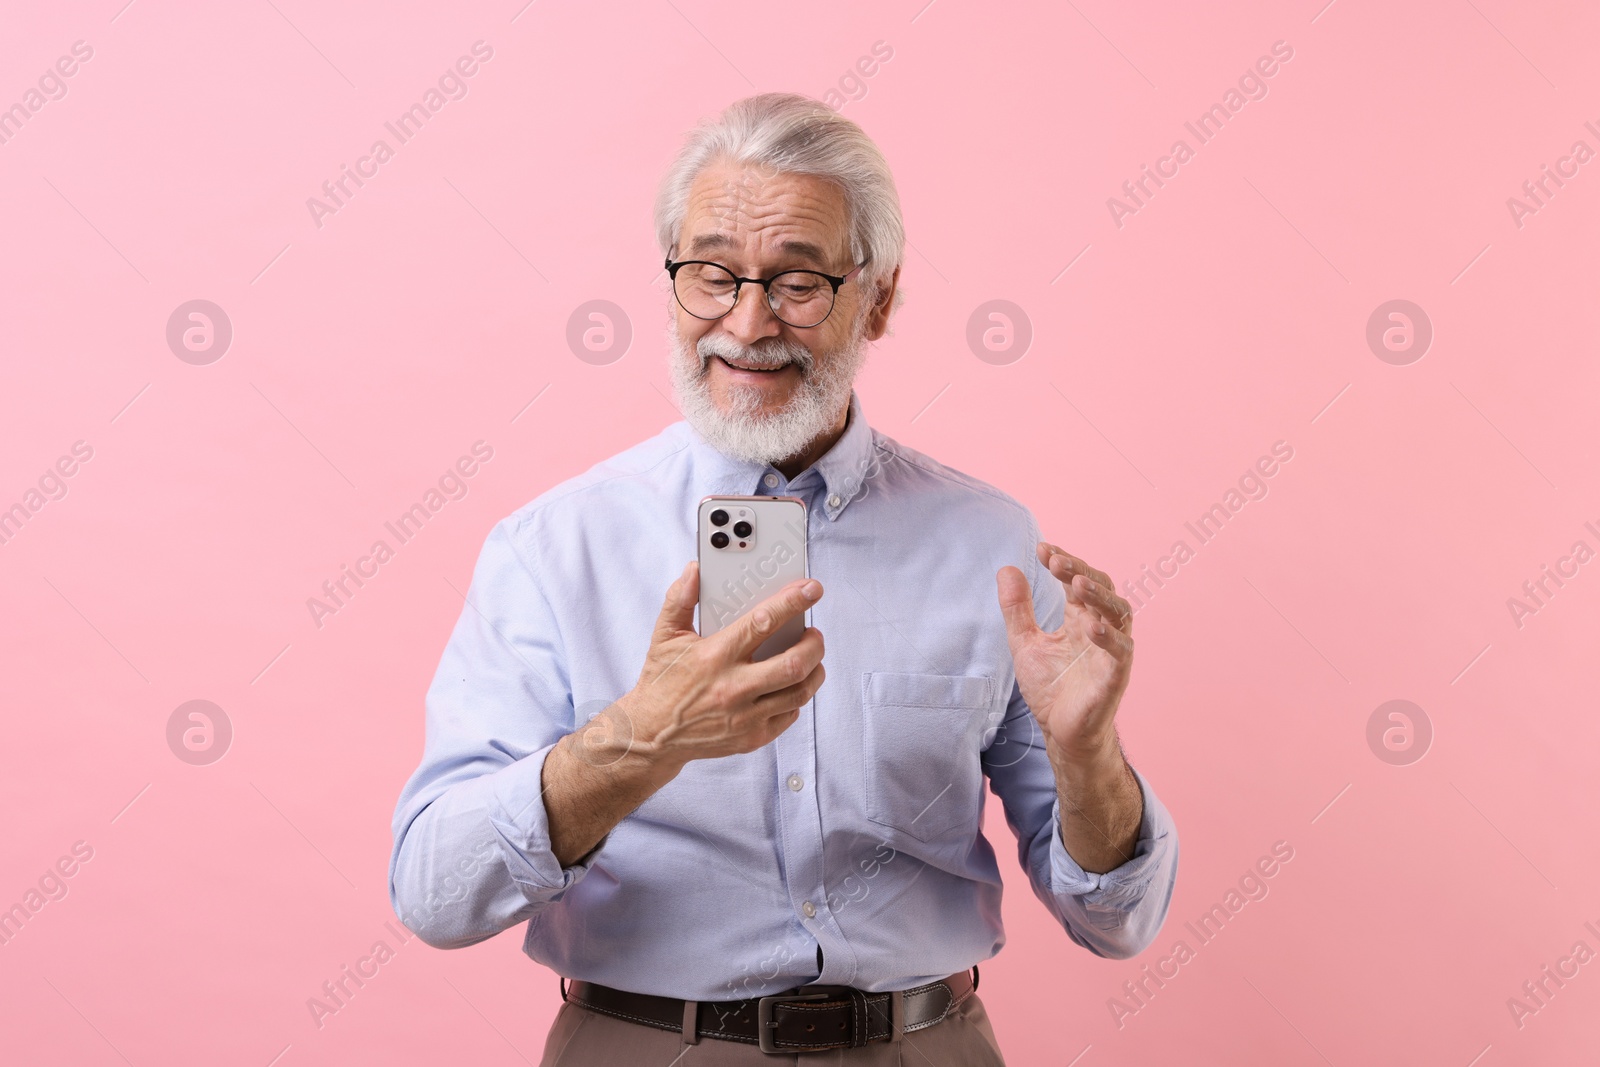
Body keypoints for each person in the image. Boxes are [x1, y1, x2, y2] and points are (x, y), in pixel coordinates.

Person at [388, 92, 1178, 1064]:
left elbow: (1115, 920)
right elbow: (433, 891)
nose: (747, 323)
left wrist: (1088, 753)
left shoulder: (989, 543)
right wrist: (639, 739)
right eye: (711, 275)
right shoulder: (553, 546)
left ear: (878, 296)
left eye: (798, 283)